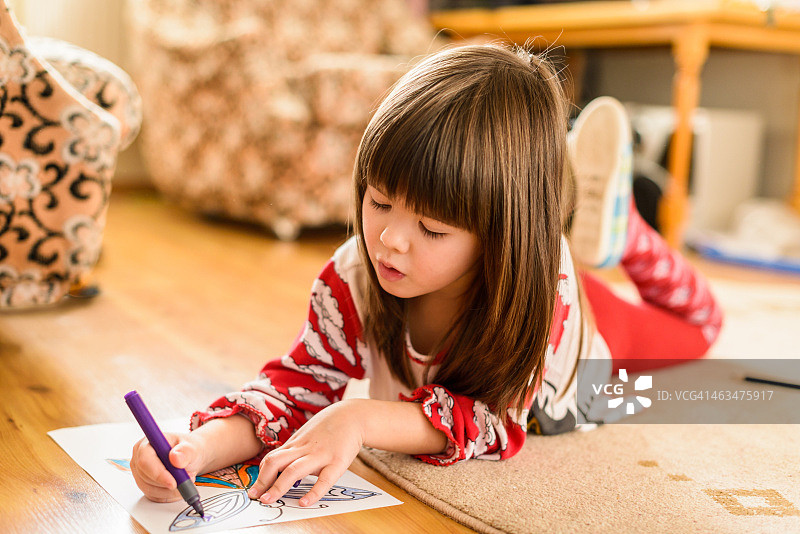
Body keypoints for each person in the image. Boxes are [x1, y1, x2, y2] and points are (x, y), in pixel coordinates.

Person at [129, 44, 723, 507]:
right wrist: (199, 447)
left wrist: (358, 416)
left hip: (578, 333)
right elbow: (299, 385)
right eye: (379, 201)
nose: (390, 240)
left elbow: (494, 424)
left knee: (699, 328)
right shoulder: (355, 275)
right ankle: (565, 195)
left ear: (501, 238)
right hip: (513, 250)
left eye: (432, 228)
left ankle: (623, 228)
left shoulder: (541, 297)